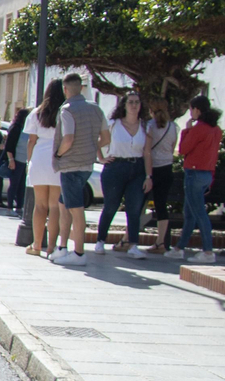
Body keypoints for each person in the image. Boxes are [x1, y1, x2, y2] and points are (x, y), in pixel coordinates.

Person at [49, 73, 110, 267]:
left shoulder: (67, 109)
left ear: (65, 89)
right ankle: (62, 247)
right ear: (81, 88)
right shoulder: (96, 109)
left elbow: (68, 139)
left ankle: (79, 253)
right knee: (63, 204)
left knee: (76, 209)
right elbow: (106, 138)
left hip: (70, 165)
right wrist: (91, 147)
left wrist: (58, 154)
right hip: (86, 165)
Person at [167, 95, 222, 263]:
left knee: (198, 213)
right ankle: (179, 248)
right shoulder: (216, 129)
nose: (190, 112)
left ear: (197, 110)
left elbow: (183, 149)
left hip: (194, 172)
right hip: (207, 174)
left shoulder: (199, 128)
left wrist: (186, 131)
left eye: (191, 109)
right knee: (190, 212)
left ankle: (208, 251)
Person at [95, 92, 151, 255]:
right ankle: (100, 241)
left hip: (137, 168)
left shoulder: (145, 126)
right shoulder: (113, 124)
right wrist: (101, 158)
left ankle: (133, 245)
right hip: (116, 167)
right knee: (111, 206)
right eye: (130, 102)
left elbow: (147, 153)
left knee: (134, 208)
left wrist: (148, 176)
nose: (134, 105)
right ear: (124, 105)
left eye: (137, 102)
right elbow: (97, 142)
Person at [25, 80, 66, 258]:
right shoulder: (65, 113)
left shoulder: (37, 113)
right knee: (55, 206)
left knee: (40, 205)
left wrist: (29, 161)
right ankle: (51, 247)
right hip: (58, 158)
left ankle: (36, 245)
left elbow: (31, 141)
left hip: (39, 158)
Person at [140, 99, 180, 257]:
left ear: (151, 110)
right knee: (161, 205)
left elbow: (146, 149)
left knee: (139, 203)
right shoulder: (173, 126)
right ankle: (161, 242)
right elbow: (172, 147)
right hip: (167, 168)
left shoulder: (149, 126)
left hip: (151, 168)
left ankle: (129, 238)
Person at [3, 106, 30, 214]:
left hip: (25, 161)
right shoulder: (16, 128)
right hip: (16, 160)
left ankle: (19, 207)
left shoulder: (27, 129)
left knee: (22, 185)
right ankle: (9, 208)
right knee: (14, 184)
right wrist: (11, 160)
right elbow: (9, 146)